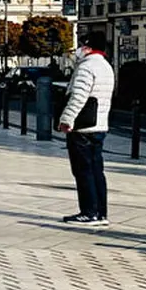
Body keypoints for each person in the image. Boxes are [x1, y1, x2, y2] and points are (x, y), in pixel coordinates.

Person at [57, 30, 114, 226]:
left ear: (88, 47)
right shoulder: (106, 66)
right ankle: (100, 213)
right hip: (99, 124)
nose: (79, 49)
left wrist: (67, 119)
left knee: (83, 170)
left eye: (81, 45)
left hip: (83, 126)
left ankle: (89, 212)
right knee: (97, 170)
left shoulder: (87, 67)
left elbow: (79, 96)